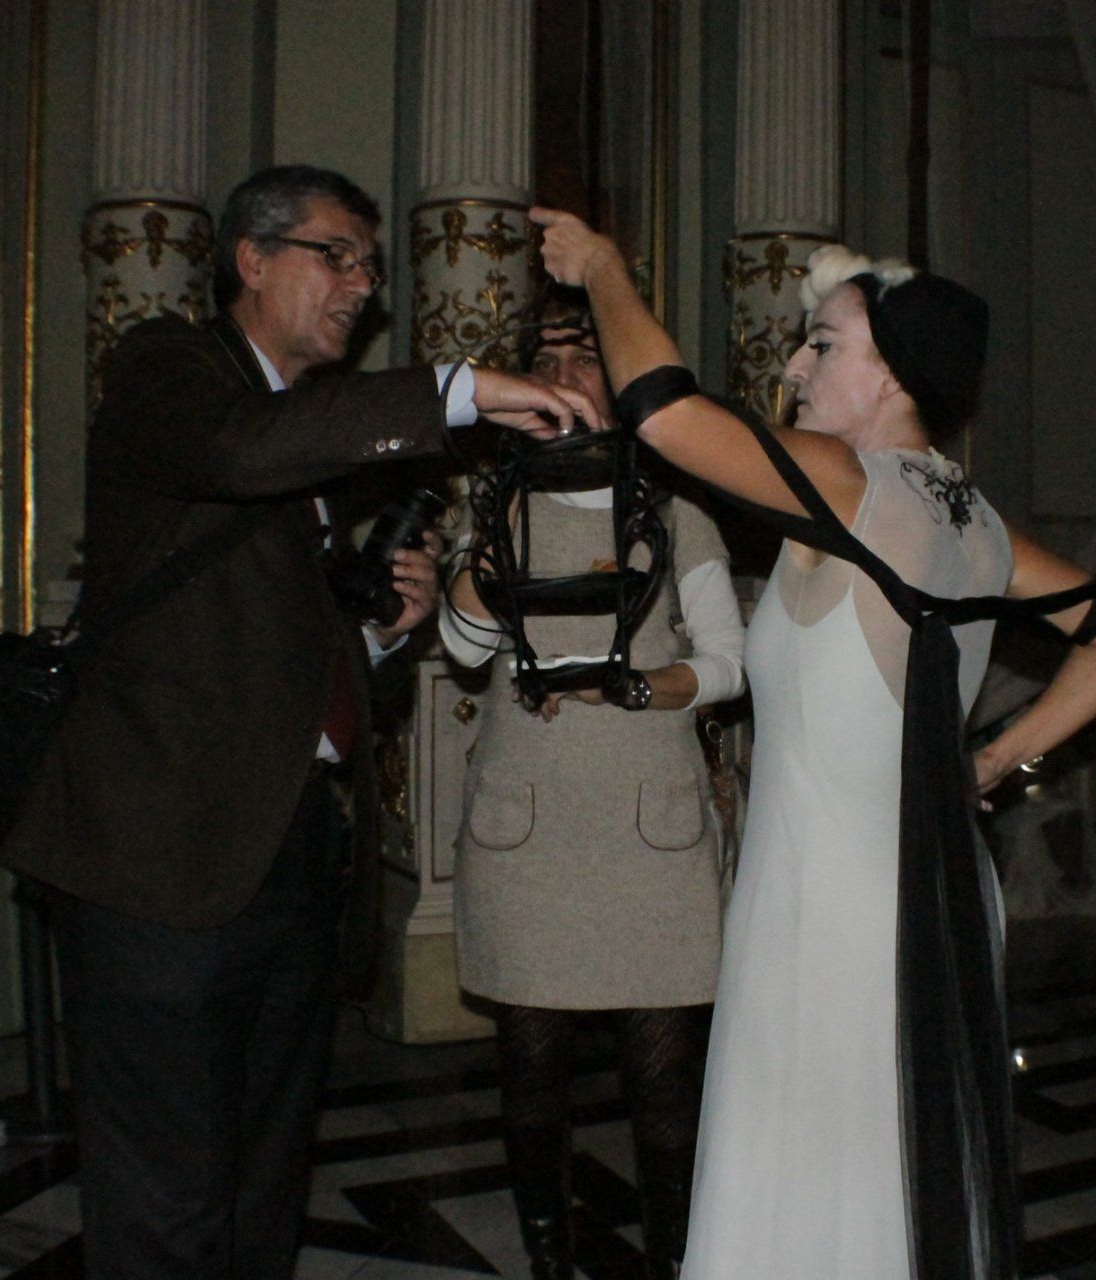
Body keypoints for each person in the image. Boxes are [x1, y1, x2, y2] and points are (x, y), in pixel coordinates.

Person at [531, 207, 1096, 1280]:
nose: (796, 364)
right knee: (883, 1178)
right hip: (935, 890)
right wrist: (993, 761)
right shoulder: (974, 519)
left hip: (826, 911)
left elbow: (664, 415)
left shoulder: (847, 483)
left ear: (893, 376)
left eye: (823, 343)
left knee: (808, 1180)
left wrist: (601, 269)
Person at [0, 165, 595, 1280]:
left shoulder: (306, 438)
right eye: (338, 256)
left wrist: (380, 636)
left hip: (290, 854)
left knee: (263, 1178)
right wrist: (459, 388)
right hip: (164, 861)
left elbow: (267, 648)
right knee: (167, 1194)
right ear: (253, 259)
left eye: (372, 266)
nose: (364, 286)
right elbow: (231, 454)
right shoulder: (170, 369)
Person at [440, 289, 747, 1280]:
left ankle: (673, 1261)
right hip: (529, 828)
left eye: (586, 356)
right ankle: (548, 1260)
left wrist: (638, 686)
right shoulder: (496, 509)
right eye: (546, 358)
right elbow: (462, 645)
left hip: (648, 827)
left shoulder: (676, 511)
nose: (565, 373)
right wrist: (496, 525)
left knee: (663, 1077)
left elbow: (731, 662)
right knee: (532, 1069)